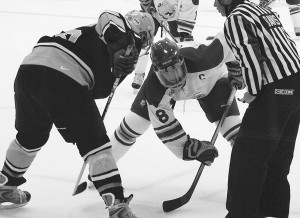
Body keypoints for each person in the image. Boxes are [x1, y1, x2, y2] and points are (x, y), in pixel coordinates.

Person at [0, 9, 155, 218]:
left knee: (30, 137)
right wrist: (120, 44)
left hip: (29, 71)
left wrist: (116, 73)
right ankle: (117, 205)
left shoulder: (93, 38)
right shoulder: (120, 33)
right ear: (144, 35)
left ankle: (5, 186)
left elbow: (98, 90)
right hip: (62, 75)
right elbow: (108, 16)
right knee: (97, 147)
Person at [214, 0, 300, 217]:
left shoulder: (236, 18)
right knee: (277, 159)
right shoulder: (262, 10)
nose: (214, 4)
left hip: (276, 91)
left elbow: (251, 57)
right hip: (296, 86)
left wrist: (252, 89)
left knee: (248, 157)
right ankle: (272, 211)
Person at [110, 35, 242, 167]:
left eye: (175, 71)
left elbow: (231, 40)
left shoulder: (204, 57)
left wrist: (236, 65)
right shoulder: (154, 86)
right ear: (156, 71)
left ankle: (256, 174)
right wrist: (190, 148)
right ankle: (103, 170)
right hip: (169, 93)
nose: (174, 80)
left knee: (236, 133)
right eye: (166, 74)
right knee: (134, 124)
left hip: (212, 83)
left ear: (182, 61)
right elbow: (164, 126)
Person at [131, 0, 199, 92]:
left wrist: (185, 31)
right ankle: (139, 73)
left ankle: (190, 74)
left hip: (176, 15)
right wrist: (146, 3)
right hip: (153, 10)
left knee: (183, 44)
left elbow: (191, 3)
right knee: (144, 39)